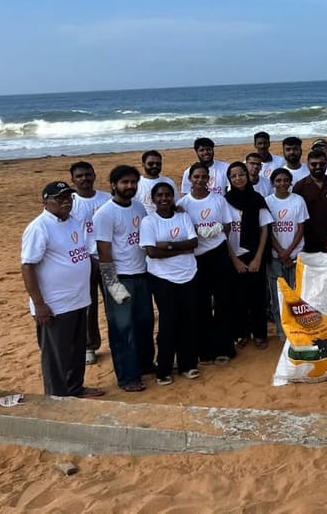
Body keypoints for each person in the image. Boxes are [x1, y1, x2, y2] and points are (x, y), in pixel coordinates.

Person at [21, 181, 104, 398]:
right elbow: (28, 266)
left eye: (69, 197)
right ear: (45, 202)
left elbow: (85, 252)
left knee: (76, 351)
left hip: (79, 298)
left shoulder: (74, 221)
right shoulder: (39, 228)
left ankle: (75, 388)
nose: (66, 202)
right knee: (56, 356)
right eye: (60, 198)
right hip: (55, 304)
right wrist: (39, 304)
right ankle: (56, 396)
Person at [93, 165, 153, 392]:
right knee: (122, 328)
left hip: (142, 274)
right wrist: (112, 283)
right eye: (124, 182)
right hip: (121, 278)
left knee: (144, 323)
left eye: (133, 182)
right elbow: (104, 251)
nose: (129, 186)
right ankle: (127, 377)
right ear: (113, 185)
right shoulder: (105, 214)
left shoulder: (139, 207)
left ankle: (146, 365)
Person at [139, 182, 200, 386]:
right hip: (162, 278)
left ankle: (187, 364)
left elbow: (193, 243)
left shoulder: (183, 216)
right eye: (159, 195)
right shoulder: (149, 222)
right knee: (168, 322)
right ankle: (163, 368)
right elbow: (152, 252)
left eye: (167, 195)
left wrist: (169, 246)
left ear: (173, 197)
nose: (164, 199)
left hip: (188, 275)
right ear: (153, 199)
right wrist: (180, 249)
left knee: (189, 320)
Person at [177, 162, 236, 365]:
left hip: (218, 253)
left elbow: (228, 225)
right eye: (196, 177)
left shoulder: (218, 200)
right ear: (190, 179)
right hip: (196, 257)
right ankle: (205, 349)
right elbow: (181, 231)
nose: (201, 180)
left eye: (204, 177)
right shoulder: (183, 204)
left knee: (223, 302)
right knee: (200, 303)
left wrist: (217, 230)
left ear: (209, 179)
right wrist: (197, 232)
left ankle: (225, 348)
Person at [225, 162, 274, 349]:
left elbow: (264, 230)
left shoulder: (257, 199)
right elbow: (224, 233)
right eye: (234, 175)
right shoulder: (225, 201)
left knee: (257, 296)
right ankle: (241, 333)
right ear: (229, 179)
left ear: (247, 176)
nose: (238, 178)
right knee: (237, 297)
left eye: (241, 174)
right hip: (234, 256)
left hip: (254, 254)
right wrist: (234, 259)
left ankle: (260, 334)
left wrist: (258, 257)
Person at [69, 161, 110, 366]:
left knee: (114, 302)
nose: (84, 179)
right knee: (88, 305)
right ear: (73, 180)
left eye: (87, 174)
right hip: (83, 261)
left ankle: (119, 341)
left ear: (94, 175)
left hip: (107, 259)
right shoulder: (70, 203)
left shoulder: (107, 199)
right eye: (79, 176)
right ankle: (89, 346)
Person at [265, 167, 308, 340]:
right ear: (273, 183)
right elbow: (268, 230)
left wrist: (289, 252)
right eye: (278, 181)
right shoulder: (267, 201)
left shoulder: (298, 200)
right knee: (278, 296)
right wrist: (281, 252)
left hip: (295, 255)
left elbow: (301, 228)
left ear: (290, 182)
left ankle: (298, 329)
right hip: (275, 257)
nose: (282, 184)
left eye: (285, 180)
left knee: (296, 294)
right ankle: (282, 333)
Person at [292, 148, 327, 253]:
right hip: (309, 240)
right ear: (308, 165)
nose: (318, 167)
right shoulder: (300, 186)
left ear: (326, 164)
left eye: (321, 164)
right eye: (314, 164)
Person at [134, 150, 176, 216]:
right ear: (143, 164)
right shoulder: (136, 184)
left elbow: (176, 203)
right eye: (150, 164)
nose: (155, 166)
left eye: (158, 164)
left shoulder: (169, 182)